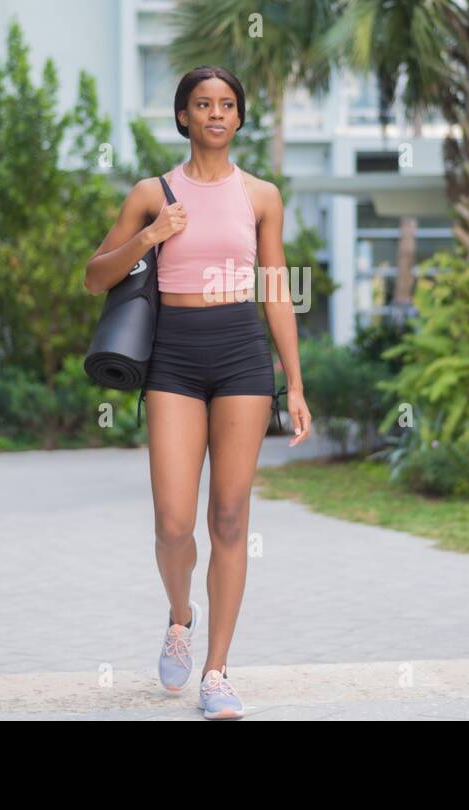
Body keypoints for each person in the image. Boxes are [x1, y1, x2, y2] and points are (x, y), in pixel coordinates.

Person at [83, 65, 312, 719]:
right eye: (202, 103)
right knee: (174, 521)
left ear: (240, 118)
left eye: (228, 104)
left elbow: (276, 289)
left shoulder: (262, 195)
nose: (215, 113)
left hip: (241, 350)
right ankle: (180, 615)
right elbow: (95, 277)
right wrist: (151, 236)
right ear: (183, 116)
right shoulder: (152, 193)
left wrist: (294, 384)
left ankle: (216, 672)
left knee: (232, 516)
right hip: (174, 355)